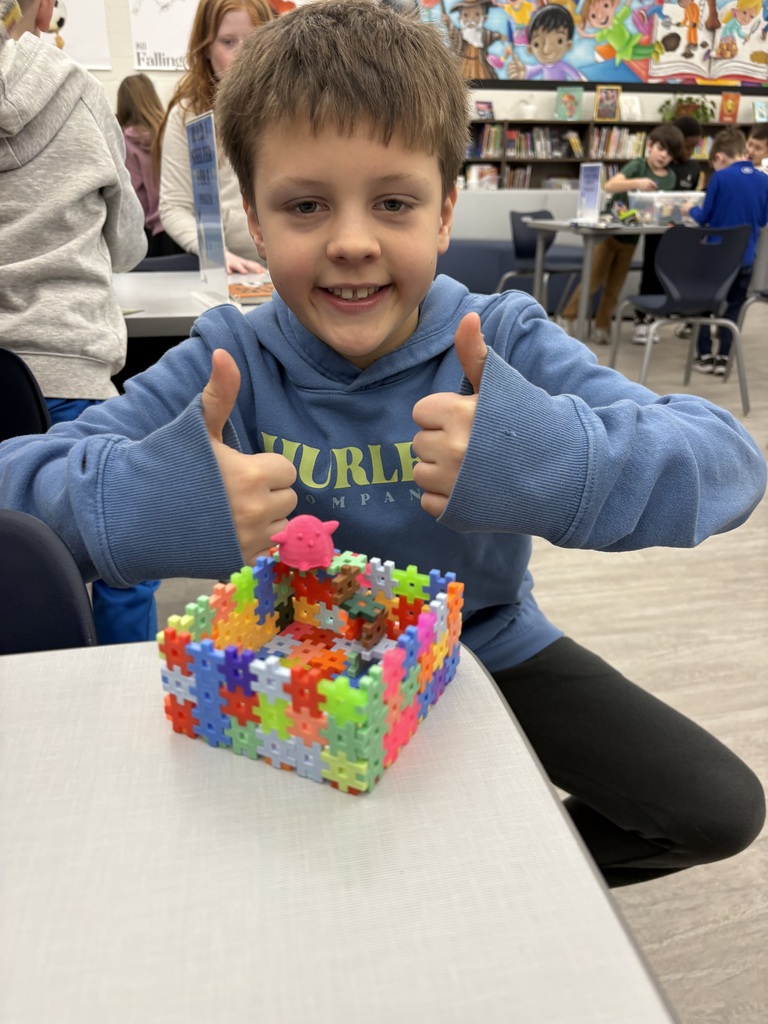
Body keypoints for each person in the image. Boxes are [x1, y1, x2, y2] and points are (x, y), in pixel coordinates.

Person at [0, 0, 765, 887]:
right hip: (293, 666)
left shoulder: (499, 338)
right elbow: (16, 486)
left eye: (394, 203)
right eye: (306, 206)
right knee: (247, 865)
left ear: (444, 215)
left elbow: (725, 461)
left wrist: (549, 460)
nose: (353, 242)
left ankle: (483, 875)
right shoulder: (228, 359)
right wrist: (152, 499)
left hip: (483, 647)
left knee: (716, 808)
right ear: (256, 220)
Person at [0, 0, 160, 645]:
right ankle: (121, 693)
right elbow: (127, 244)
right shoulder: (78, 90)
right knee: (125, 555)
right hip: (71, 371)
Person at [156, 0, 273, 274]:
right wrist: (218, 254)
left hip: (294, 265)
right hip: (233, 271)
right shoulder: (188, 115)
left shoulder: (292, 107)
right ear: (206, 48)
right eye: (228, 42)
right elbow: (175, 206)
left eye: (254, 40)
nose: (243, 54)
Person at [560, 124, 684, 344]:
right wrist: (636, 183)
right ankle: (567, 318)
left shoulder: (670, 177)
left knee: (614, 287)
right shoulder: (638, 165)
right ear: (650, 146)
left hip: (631, 239)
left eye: (669, 153)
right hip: (609, 234)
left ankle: (602, 326)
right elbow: (610, 185)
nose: (663, 156)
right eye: (660, 148)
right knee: (592, 281)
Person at [682, 127, 768, 374]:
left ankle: (704, 355)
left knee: (703, 304)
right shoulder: (764, 179)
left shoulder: (719, 178)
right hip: (746, 258)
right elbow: (763, 220)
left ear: (719, 157)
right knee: (734, 307)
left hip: (716, 257)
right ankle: (723, 357)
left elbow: (705, 217)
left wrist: (690, 209)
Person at [633, 116, 703, 345]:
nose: (690, 152)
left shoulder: (693, 168)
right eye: (687, 147)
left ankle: (683, 317)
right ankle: (643, 319)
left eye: (694, 147)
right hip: (657, 230)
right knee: (651, 272)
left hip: (682, 231)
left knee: (680, 273)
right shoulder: (662, 166)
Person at [117, 73, 184, 259]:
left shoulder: (124, 141)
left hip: (151, 234)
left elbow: (132, 194)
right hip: (184, 226)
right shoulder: (172, 132)